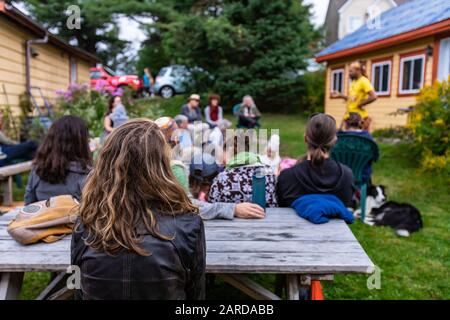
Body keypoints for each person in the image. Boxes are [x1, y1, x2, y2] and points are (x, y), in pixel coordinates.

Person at [72, 119, 205, 300]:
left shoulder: (86, 222)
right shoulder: (188, 224)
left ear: (106, 165)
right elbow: (195, 293)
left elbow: (77, 287)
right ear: (162, 165)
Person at [155, 117, 265, 220]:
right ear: (175, 140)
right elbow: (187, 204)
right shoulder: (174, 167)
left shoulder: (153, 165)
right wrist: (233, 209)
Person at [276, 113, 354, 207]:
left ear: (305, 138)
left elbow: (280, 207)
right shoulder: (346, 175)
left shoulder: (287, 177)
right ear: (334, 140)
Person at [24, 116, 92, 205]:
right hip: (74, 218)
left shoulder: (37, 171)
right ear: (82, 143)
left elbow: (28, 205)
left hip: (43, 218)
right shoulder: (86, 176)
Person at [208, 133, 278, 207]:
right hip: (269, 216)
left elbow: (212, 208)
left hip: (234, 217)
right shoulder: (269, 172)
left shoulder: (222, 178)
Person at [331, 61, 377, 131]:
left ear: (358, 70)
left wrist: (360, 104)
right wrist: (340, 95)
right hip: (349, 117)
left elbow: (373, 96)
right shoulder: (354, 82)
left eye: (351, 71)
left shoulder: (363, 81)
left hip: (359, 118)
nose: (349, 73)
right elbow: (351, 99)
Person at [340, 112, 376, 183]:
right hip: (362, 176)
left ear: (345, 123)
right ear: (360, 123)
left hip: (339, 175)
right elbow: (375, 157)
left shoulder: (338, 137)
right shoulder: (367, 137)